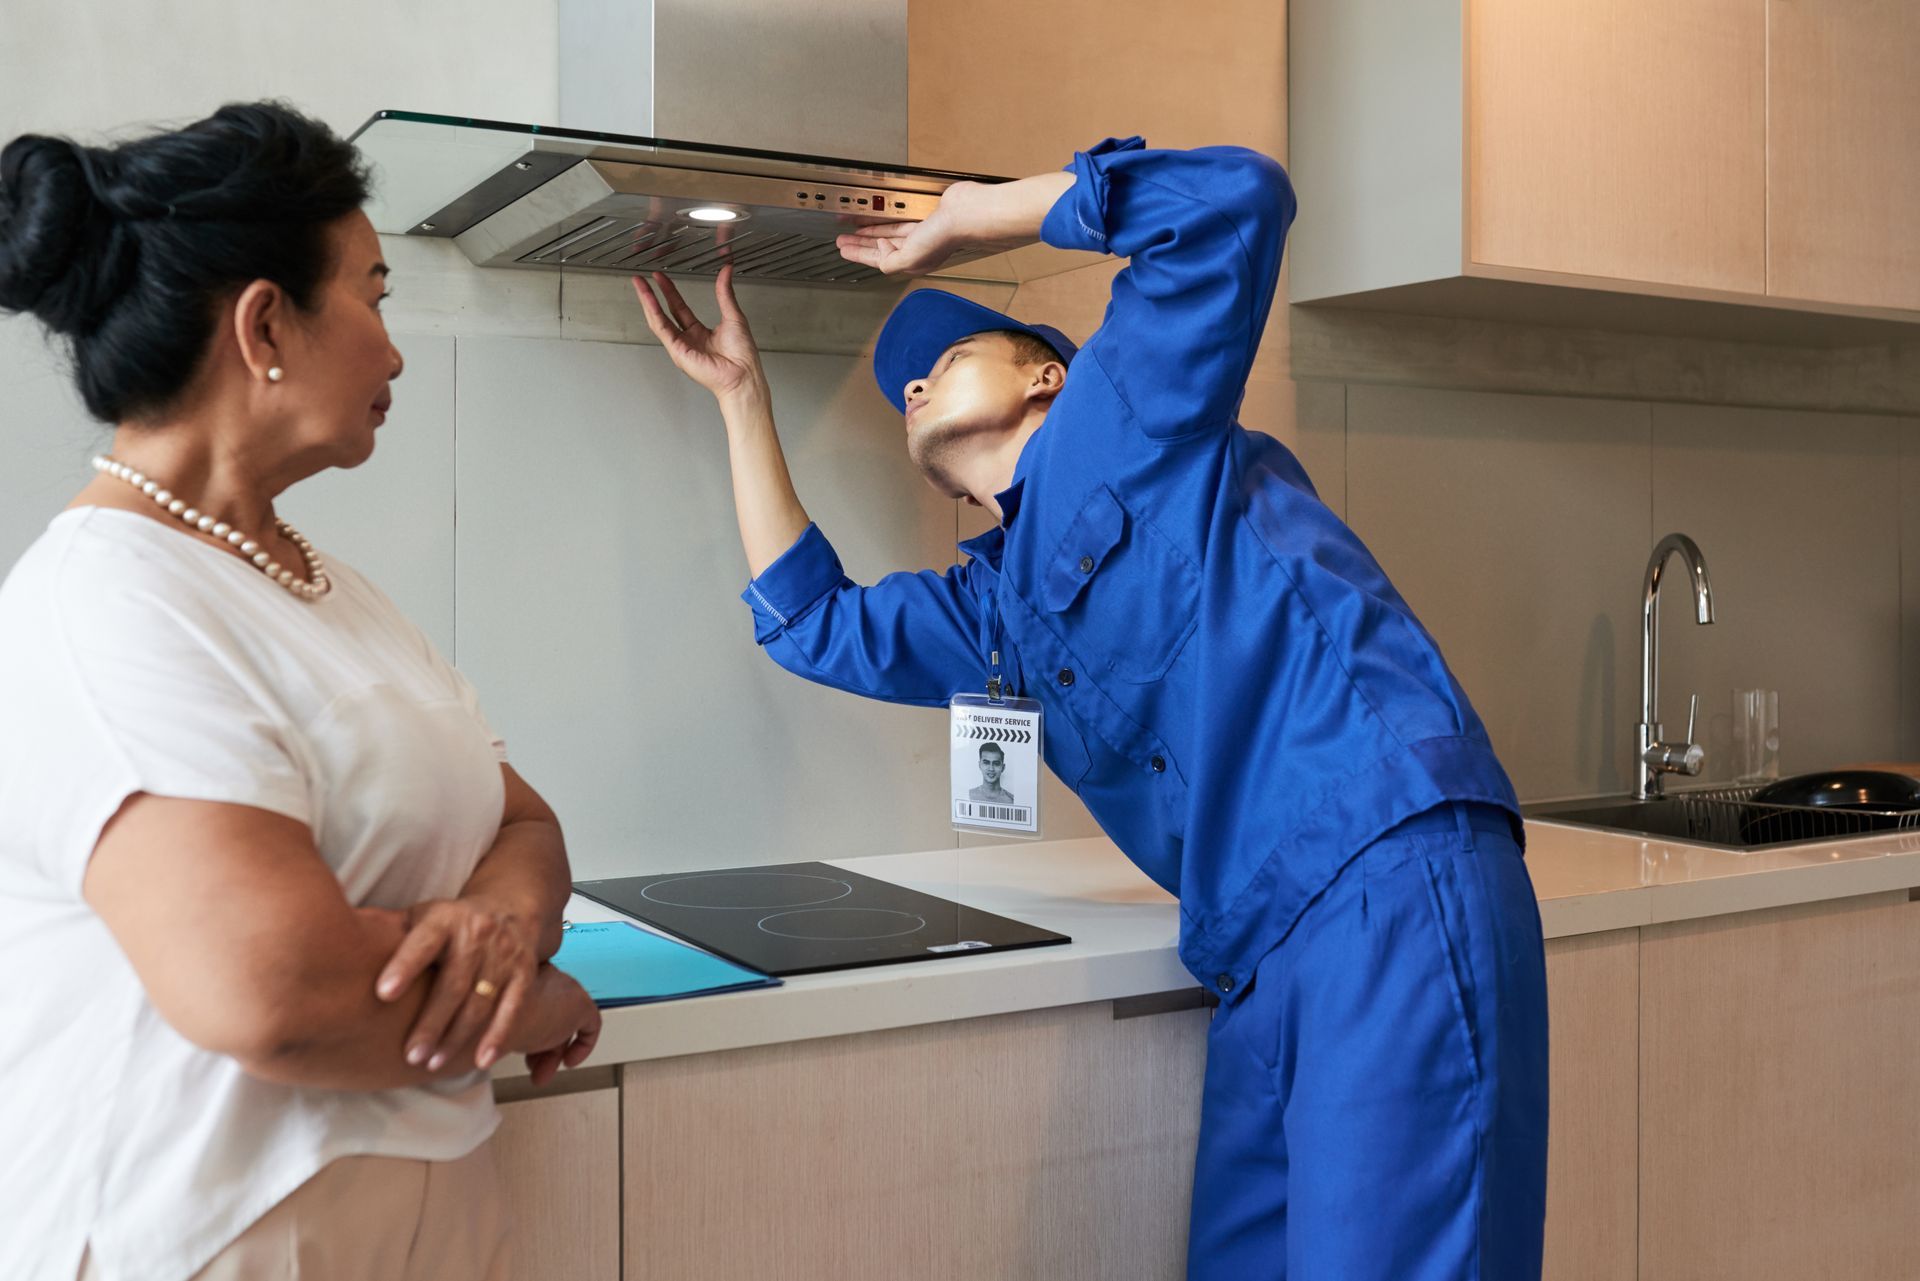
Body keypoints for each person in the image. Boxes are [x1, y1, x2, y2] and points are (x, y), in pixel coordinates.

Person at [633, 135, 1549, 1279]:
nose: (911, 383)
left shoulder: (1134, 416)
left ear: (1046, 373)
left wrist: (975, 214)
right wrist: (739, 399)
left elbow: (1235, 199)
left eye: (949, 353)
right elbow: (811, 623)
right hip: (1255, 951)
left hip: (1386, 881)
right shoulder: (993, 610)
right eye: (901, 392)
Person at [0, 102, 600, 1281]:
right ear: (265, 323)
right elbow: (276, 991)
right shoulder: (105, 602)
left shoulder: (322, 582)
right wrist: (540, 997)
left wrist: (496, 932)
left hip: (417, 1219)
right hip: (205, 1237)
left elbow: (523, 822)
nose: (395, 347)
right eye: (374, 296)